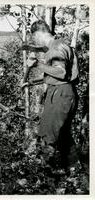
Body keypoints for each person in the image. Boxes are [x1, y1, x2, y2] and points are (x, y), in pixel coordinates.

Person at [22, 20, 79, 170]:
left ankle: (44, 176)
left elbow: (61, 72)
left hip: (60, 94)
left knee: (48, 136)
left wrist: (36, 64)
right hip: (63, 92)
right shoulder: (57, 45)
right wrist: (31, 82)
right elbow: (54, 76)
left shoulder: (57, 47)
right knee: (63, 135)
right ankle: (74, 171)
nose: (34, 41)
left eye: (33, 37)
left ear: (38, 34)